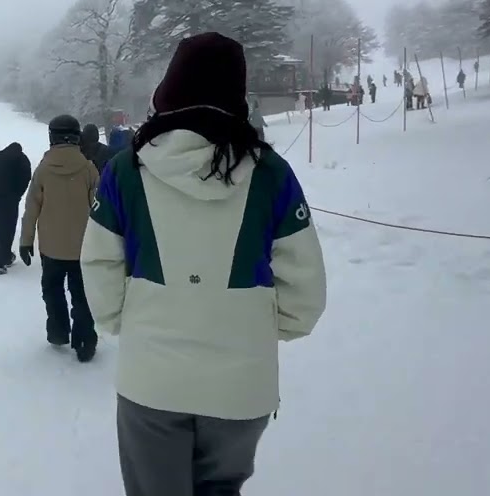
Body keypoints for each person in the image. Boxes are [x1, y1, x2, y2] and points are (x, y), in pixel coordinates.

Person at [81, 32, 327, 496]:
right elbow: (304, 288)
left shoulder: (127, 169)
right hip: (241, 385)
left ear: (168, 90)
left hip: (150, 379)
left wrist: (123, 321)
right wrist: (258, 329)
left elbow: (98, 262)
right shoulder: (270, 172)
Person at [19, 114, 100, 362]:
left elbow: (32, 208)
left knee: (52, 291)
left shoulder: (43, 171)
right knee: (82, 295)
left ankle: (57, 330)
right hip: (82, 248)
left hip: (51, 249)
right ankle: (84, 340)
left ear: (52, 138)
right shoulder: (88, 169)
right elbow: (99, 209)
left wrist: (26, 240)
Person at [0, 142, 32, 274]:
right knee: (7, 229)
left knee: (3, 228)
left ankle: (6, 256)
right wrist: (16, 195)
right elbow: (26, 179)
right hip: (10, 200)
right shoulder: (22, 161)